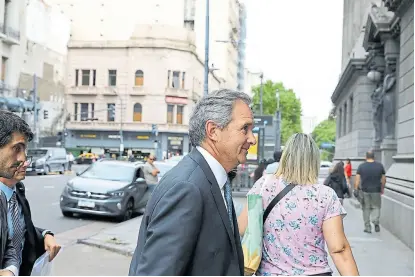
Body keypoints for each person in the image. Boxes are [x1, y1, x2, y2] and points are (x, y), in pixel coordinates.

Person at [129, 89, 256, 276]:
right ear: (213, 131)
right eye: (245, 128)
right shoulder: (187, 188)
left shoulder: (211, 179)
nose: (252, 139)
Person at [238, 133, 359, 276]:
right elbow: (339, 249)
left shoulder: (264, 185)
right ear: (314, 160)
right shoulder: (324, 195)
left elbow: (241, 227)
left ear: (286, 156)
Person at [0, 160, 61, 275]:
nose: (26, 164)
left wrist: (46, 235)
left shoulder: (18, 190)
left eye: (26, 158)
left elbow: (22, 229)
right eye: (16, 156)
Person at [0, 110, 35, 275]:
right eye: (17, 149)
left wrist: (10, 270)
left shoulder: (13, 194)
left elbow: (10, 245)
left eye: (25, 149)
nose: (24, 159)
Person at [354, 151, 386, 233]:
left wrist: (356, 188)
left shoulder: (361, 166)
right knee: (376, 207)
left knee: (366, 209)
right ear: (374, 157)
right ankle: (375, 222)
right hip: (376, 190)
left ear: (366, 157)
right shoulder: (380, 166)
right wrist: (382, 187)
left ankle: (367, 227)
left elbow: (357, 179)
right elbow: (383, 179)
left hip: (365, 191)